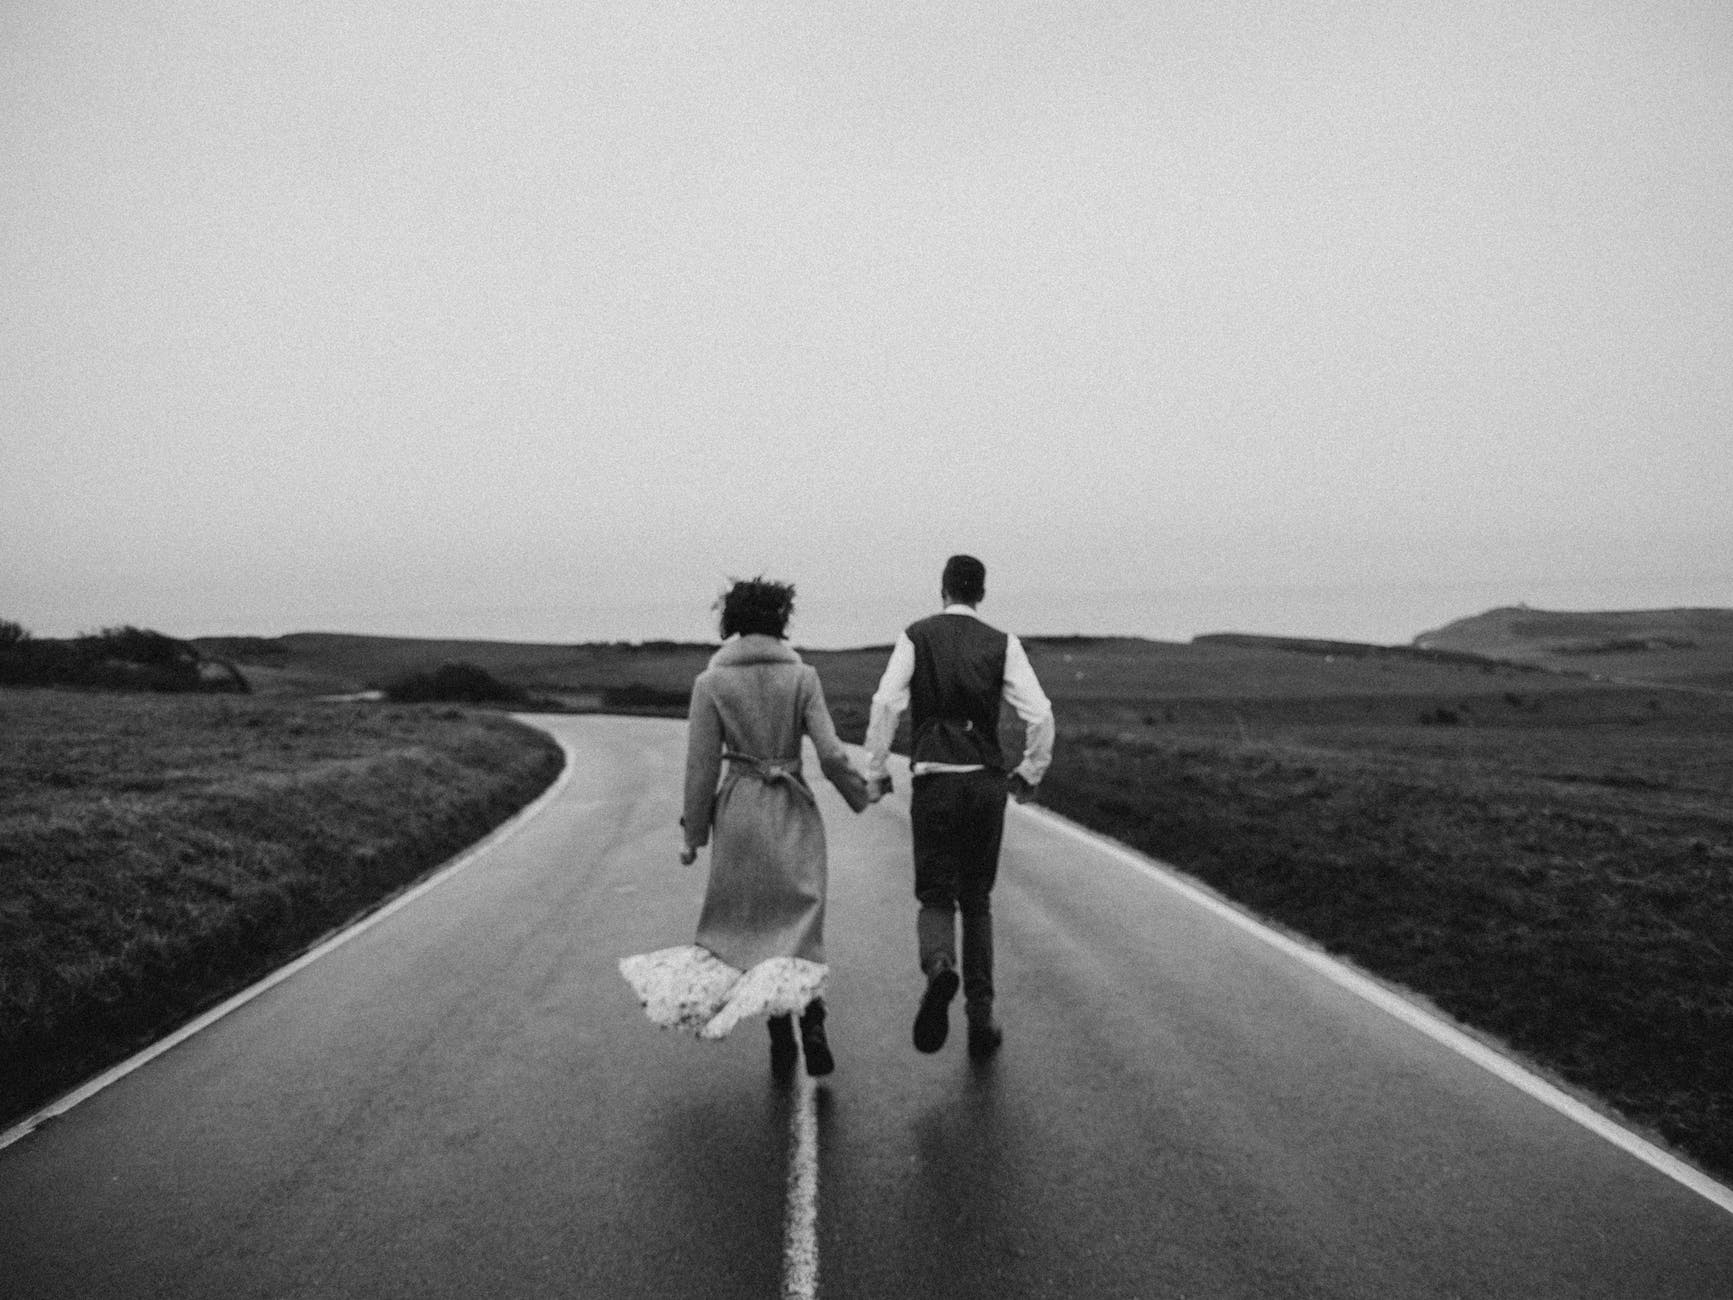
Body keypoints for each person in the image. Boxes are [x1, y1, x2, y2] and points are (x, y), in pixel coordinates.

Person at [619, 578, 872, 1079]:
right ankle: (812, 1018)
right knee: (798, 923)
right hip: (792, 807)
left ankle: (780, 1039)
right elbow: (830, 753)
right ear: (781, 620)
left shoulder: (711, 684)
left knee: (755, 930)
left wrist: (694, 835)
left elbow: (701, 767)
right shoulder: (804, 678)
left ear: (731, 622)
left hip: (739, 814)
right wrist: (859, 794)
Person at [864, 554, 1054, 1059]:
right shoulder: (1003, 643)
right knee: (977, 900)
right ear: (981, 594)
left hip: (935, 780)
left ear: (943, 588)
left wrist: (877, 769)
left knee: (935, 895)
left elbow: (885, 703)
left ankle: (939, 965)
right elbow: (1041, 715)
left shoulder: (916, 635)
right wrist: (1030, 771)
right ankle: (980, 1020)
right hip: (985, 781)